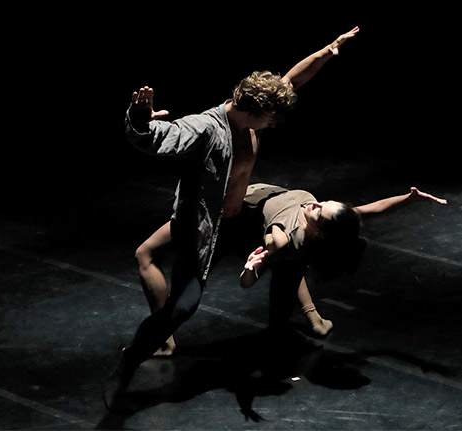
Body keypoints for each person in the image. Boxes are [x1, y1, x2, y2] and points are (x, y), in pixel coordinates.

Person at [104, 26, 360, 412]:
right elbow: (161, 135)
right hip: (204, 229)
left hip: (241, 219)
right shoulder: (208, 128)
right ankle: (127, 364)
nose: (274, 126)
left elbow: (292, 80)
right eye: (272, 119)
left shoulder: (250, 118)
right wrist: (139, 121)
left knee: (291, 257)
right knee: (184, 305)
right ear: (257, 111)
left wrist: (329, 50)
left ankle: (283, 338)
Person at [239, 183, 448, 334]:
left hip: (240, 219)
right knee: (292, 267)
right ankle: (313, 321)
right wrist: (408, 199)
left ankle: (292, 328)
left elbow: (251, 276)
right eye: (325, 202)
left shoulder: (285, 238)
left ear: (320, 231)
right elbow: (369, 209)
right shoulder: (332, 224)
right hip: (288, 241)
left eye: (320, 213)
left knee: (290, 268)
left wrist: (255, 262)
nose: (316, 204)